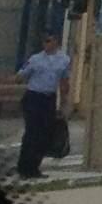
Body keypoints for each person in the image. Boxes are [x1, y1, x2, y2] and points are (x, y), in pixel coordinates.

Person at [14, 32, 71, 181]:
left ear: (56, 42)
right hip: (34, 97)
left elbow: (64, 81)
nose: (46, 44)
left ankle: (35, 167)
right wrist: (17, 78)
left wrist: (64, 102)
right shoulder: (35, 59)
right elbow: (21, 75)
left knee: (44, 135)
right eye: (44, 41)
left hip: (49, 98)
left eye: (49, 41)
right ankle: (24, 168)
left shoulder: (63, 59)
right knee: (32, 133)